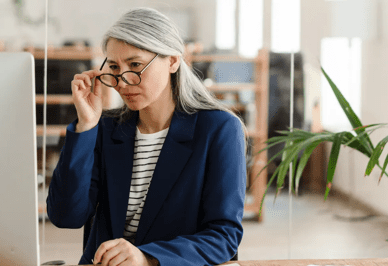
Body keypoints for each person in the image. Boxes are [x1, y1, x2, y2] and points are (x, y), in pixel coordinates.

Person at [46, 7, 247, 266]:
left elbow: (224, 236)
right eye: (115, 67)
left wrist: (147, 258)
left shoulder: (219, 129)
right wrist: (86, 125)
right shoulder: (105, 128)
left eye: (136, 65)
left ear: (173, 61)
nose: (122, 82)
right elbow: (65, 216)